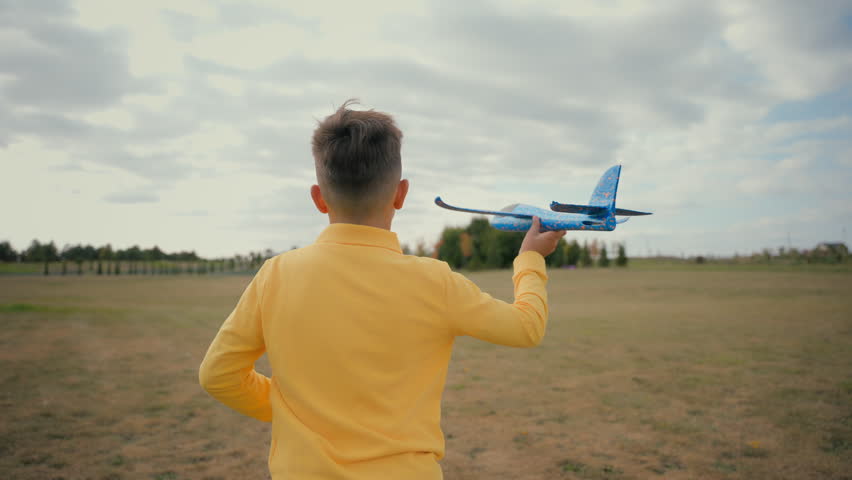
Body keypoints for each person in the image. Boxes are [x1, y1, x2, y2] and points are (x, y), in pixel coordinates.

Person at [199, 100, 566, 479]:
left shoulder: (276, 275)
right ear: (401, 193)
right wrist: (530, 260)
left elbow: (218, 375)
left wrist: (286, 408)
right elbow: (527, 327)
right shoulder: (434, 281)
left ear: (318, 198)